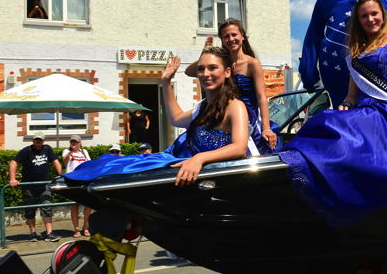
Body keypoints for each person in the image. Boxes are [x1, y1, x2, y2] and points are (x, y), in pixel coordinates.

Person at [279, 0, 387, 227]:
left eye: (374, 13)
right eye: (364, 16)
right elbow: (351, 96)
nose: (370, 19)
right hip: (365, 111)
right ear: (358, 20)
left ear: (383, 15)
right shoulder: (355, 54)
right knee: (326, 119)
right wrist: (344, 106)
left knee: (338, 129)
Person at [64, 46, 249, 186]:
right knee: (119, 165)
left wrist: (199, 158)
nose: (205, 74)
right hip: (192, 176)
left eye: (212, 68)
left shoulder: (235, 106)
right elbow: (175, 119)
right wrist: (166, 82)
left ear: (226, 72)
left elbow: (239, 147)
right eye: (201, 69)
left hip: (219, 181)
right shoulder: (201, 107)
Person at [196, 18, 277, 155]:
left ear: (242, 36)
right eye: (226, 36)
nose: (231, 39)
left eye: (234, 34)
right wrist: (206, 53)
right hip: (222, 115)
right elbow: (190, 71)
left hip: (247, 118)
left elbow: (261, 97)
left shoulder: (252, 63)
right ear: (222, 40)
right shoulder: (221, 62)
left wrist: (266, 128)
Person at [9, 134, 62, 241]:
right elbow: (14, 162)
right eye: (36, 139)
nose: (38, 141)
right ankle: (33, 233)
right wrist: (12, 178)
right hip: (29, 186)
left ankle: (49, 233)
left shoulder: (47, 149)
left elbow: (56, 161)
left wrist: (61, 176)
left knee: (47, 207)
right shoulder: (27, 150)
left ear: (43, 140)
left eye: (40, 140)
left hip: (44, 185)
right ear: (33, 140)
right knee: (30, 209)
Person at [62, 135, 91, 237]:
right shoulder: (66, 151)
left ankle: (86, 228)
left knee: (88, 205)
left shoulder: (85, 152)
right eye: (72, 142)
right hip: (72, 181)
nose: (73, 144)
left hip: (84, 180)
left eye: (75, 142)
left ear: (79, 143)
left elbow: (89, 164)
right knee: (74, 206)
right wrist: (70, 152)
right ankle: (76, 229)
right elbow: (64, 161)